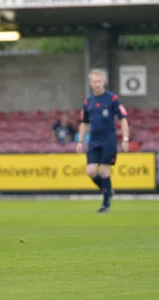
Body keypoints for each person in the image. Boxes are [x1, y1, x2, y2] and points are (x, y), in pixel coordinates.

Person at [76, 69, 129, 213]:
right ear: (90, 84)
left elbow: (123, 119)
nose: (97, 84)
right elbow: (84, 123)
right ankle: (108, 190)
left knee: (105, 172)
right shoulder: (88, 101)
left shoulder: (112, 98)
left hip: (109, 140)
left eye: (99, 81)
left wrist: (125, 139)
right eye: (94, 82)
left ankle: (105, 204)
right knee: (91, 171)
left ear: (103, 82)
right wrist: (80, 141)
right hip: (94, 140)